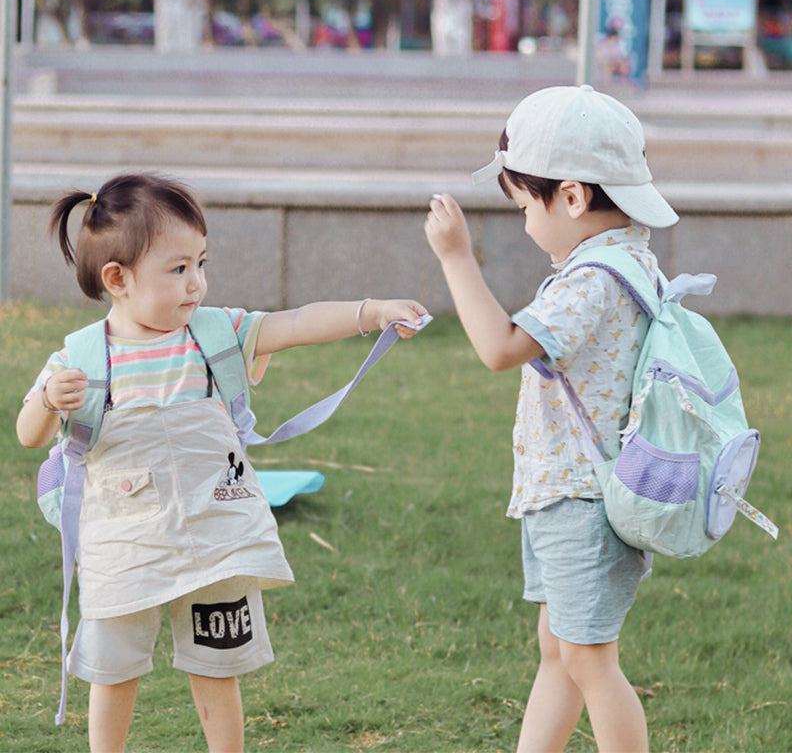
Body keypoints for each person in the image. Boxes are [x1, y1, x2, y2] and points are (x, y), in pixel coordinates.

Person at [17, 172, 427, 753]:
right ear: (118, 279)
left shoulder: (215, 335)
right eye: (178, 269)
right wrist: (47, 400)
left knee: (217, 665)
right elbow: (28, 435)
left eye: (201, 263)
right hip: (123, 546)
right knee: (114, 672)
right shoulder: (80, 357)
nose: (198, 284)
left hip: (217, 536)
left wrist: (372, 311)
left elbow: (297, 322)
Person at [424, 85, 678, 753]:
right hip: (567, 493)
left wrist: (456, 257)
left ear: (570, 197)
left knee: (590, 660)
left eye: (522, 205)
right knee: (561, 651)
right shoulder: (627, 256)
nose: (524, 222)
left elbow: (501, 348)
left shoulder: (593, 278)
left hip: (581, 497)